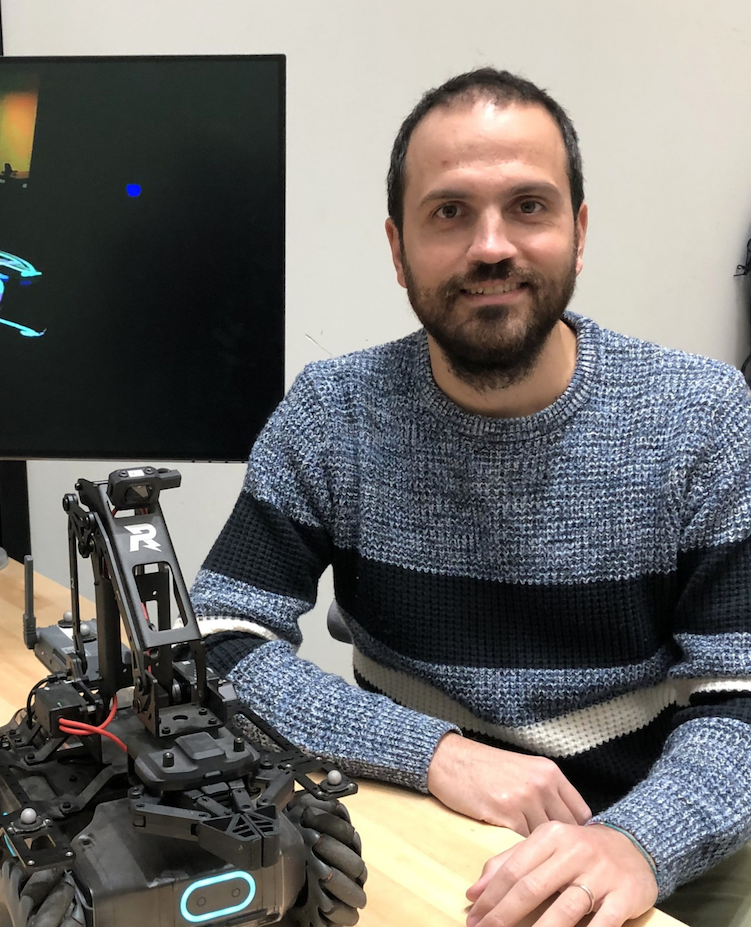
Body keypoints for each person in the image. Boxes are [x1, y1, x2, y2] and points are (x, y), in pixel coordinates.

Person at [190, 68, 751, 927]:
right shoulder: (333, 412)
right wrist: (434, 753)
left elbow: (741, 702)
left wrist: (635, 842)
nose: (492, 245)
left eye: (529, 205)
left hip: (652, 850)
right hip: (408, 818)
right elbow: (220, 642)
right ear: (397, 246)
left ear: (579, 230)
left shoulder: (704, 418)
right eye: (449, 212)